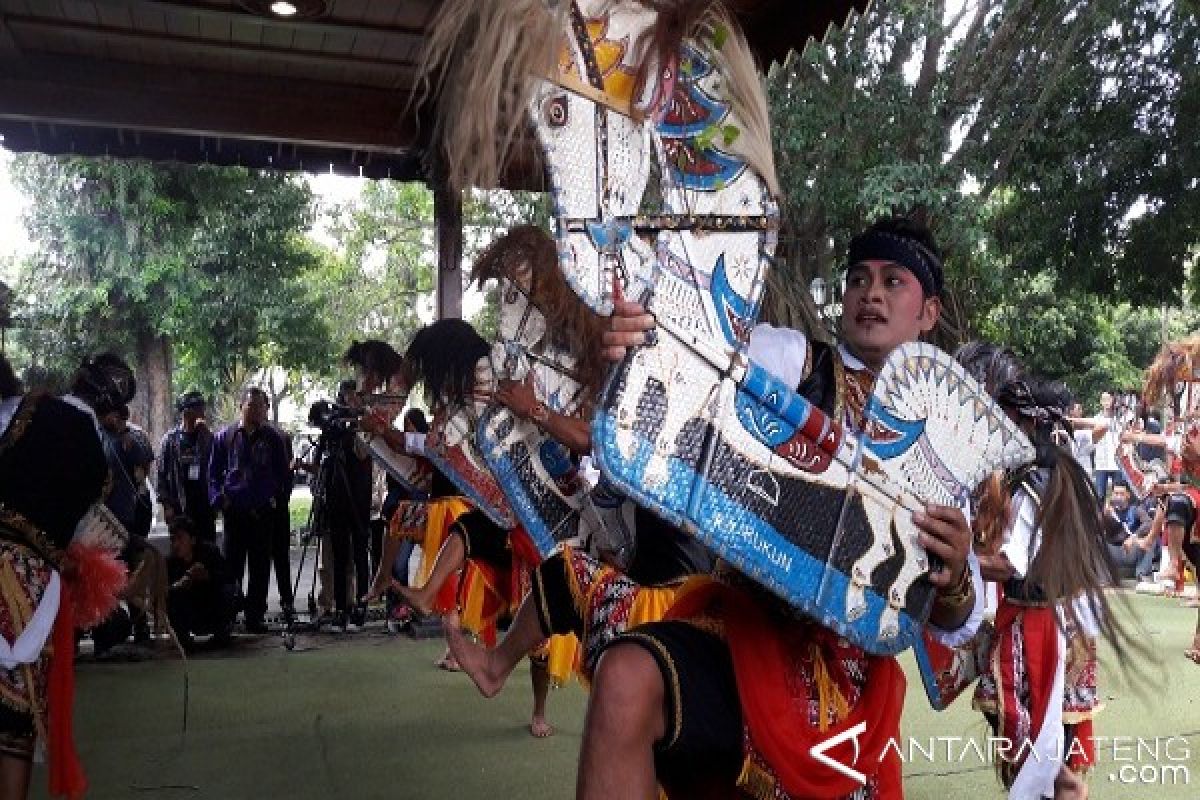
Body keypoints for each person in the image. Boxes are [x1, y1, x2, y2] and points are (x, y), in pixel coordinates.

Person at [448, 216, 981, 798]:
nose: (870, 292)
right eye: (859, 278)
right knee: (627, 679)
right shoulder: (794, 362)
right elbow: (698, 357)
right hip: (739, 638)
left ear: (929, 311)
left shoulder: (947, 453)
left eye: (892, 281)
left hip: (845, 699)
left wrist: (953, 580)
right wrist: (642, 338)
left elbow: (955, 622)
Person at [973, 379, 1141, 799]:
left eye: (1005, 417)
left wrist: (957, 563)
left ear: (1024, 423)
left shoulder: (1033, 484)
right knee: (1051, 763)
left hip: (1039, 629)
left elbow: (1013, 565)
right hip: (1067, 622)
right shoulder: (1066, 473)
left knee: (1038, 761)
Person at [0, 353, 112, 798]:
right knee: (14, 724)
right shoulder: (59, 420)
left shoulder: (52, 419)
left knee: (14, 721)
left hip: (23, 585)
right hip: (24, 583)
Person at [208, 387, 291, 634]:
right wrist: (220, 501)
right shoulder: (225, 437)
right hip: (234, 511)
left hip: (262, 511)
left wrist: (276, 499)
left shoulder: (273, 438)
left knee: (260, 565)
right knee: (232, 566)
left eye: (261, 406)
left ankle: (255, 615)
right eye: (252, 406)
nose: (257, 411)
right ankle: (229, 614)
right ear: (241, 406)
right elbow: (213, 475)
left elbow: (283, 474)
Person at [165, 516, 236, 651]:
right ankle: (182, 636)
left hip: (211, 604)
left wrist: (208, 576)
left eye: (180, 538)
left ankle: (222, 630)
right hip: (189, 610)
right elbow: (163, 591)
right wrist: (179, 585)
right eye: (173, 539)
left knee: (229, 591)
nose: (176, 544)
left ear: (192, 539)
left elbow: (229, 578)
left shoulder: (210, 552)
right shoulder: (170, 562)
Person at [157, 391, 217, 543]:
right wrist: (166, 505)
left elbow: (217, 466)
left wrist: (207, 436)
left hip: (204, 509)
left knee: (207, 552)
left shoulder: (208, 437)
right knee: (182, 553)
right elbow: (161, 475)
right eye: (198, 409)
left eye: (202, 408)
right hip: (180, 509)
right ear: (186, 412)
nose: (202, 413)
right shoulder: (170, 440)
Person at [1103, 484, 1160, 582]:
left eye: (1121, 494)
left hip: (1131, 551)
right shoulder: (1107, 511)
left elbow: (1149, 523)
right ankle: (1103, 576)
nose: (1118, 496)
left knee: (1151, 538)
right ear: (1112, 495)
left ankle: (1142, 574)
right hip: (1113, 551)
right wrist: (1103, 517)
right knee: (1095, 540)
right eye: (1116, 493)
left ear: (1128, 495)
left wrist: (1133, 537)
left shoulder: (1135, 510)